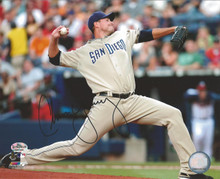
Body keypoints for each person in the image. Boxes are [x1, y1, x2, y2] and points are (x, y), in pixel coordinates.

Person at [0, 11, 213, 179]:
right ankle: (23, 157)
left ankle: (189, 171)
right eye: (106, 19)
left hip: (133, 100)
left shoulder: (122, 35)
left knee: (173, 115)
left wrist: (172, 29)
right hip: (106, 104)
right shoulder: (83, 51)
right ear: (96, 24)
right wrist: (54, 39)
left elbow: (147, 34)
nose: (111, 21)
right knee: (76, 147)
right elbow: (55, 59)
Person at [184, 81, 220, 159]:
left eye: (203, 90)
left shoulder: (210, 95)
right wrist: (198, 94)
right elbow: (186, 95)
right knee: (197, 139)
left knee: (208, 142)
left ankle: (208, 160)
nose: (202, 92)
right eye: (200, 90)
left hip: (208, 121)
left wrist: (207, 94)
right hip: (197, 121)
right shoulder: (193, 96)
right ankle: (196, 158)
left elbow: (217, 97)